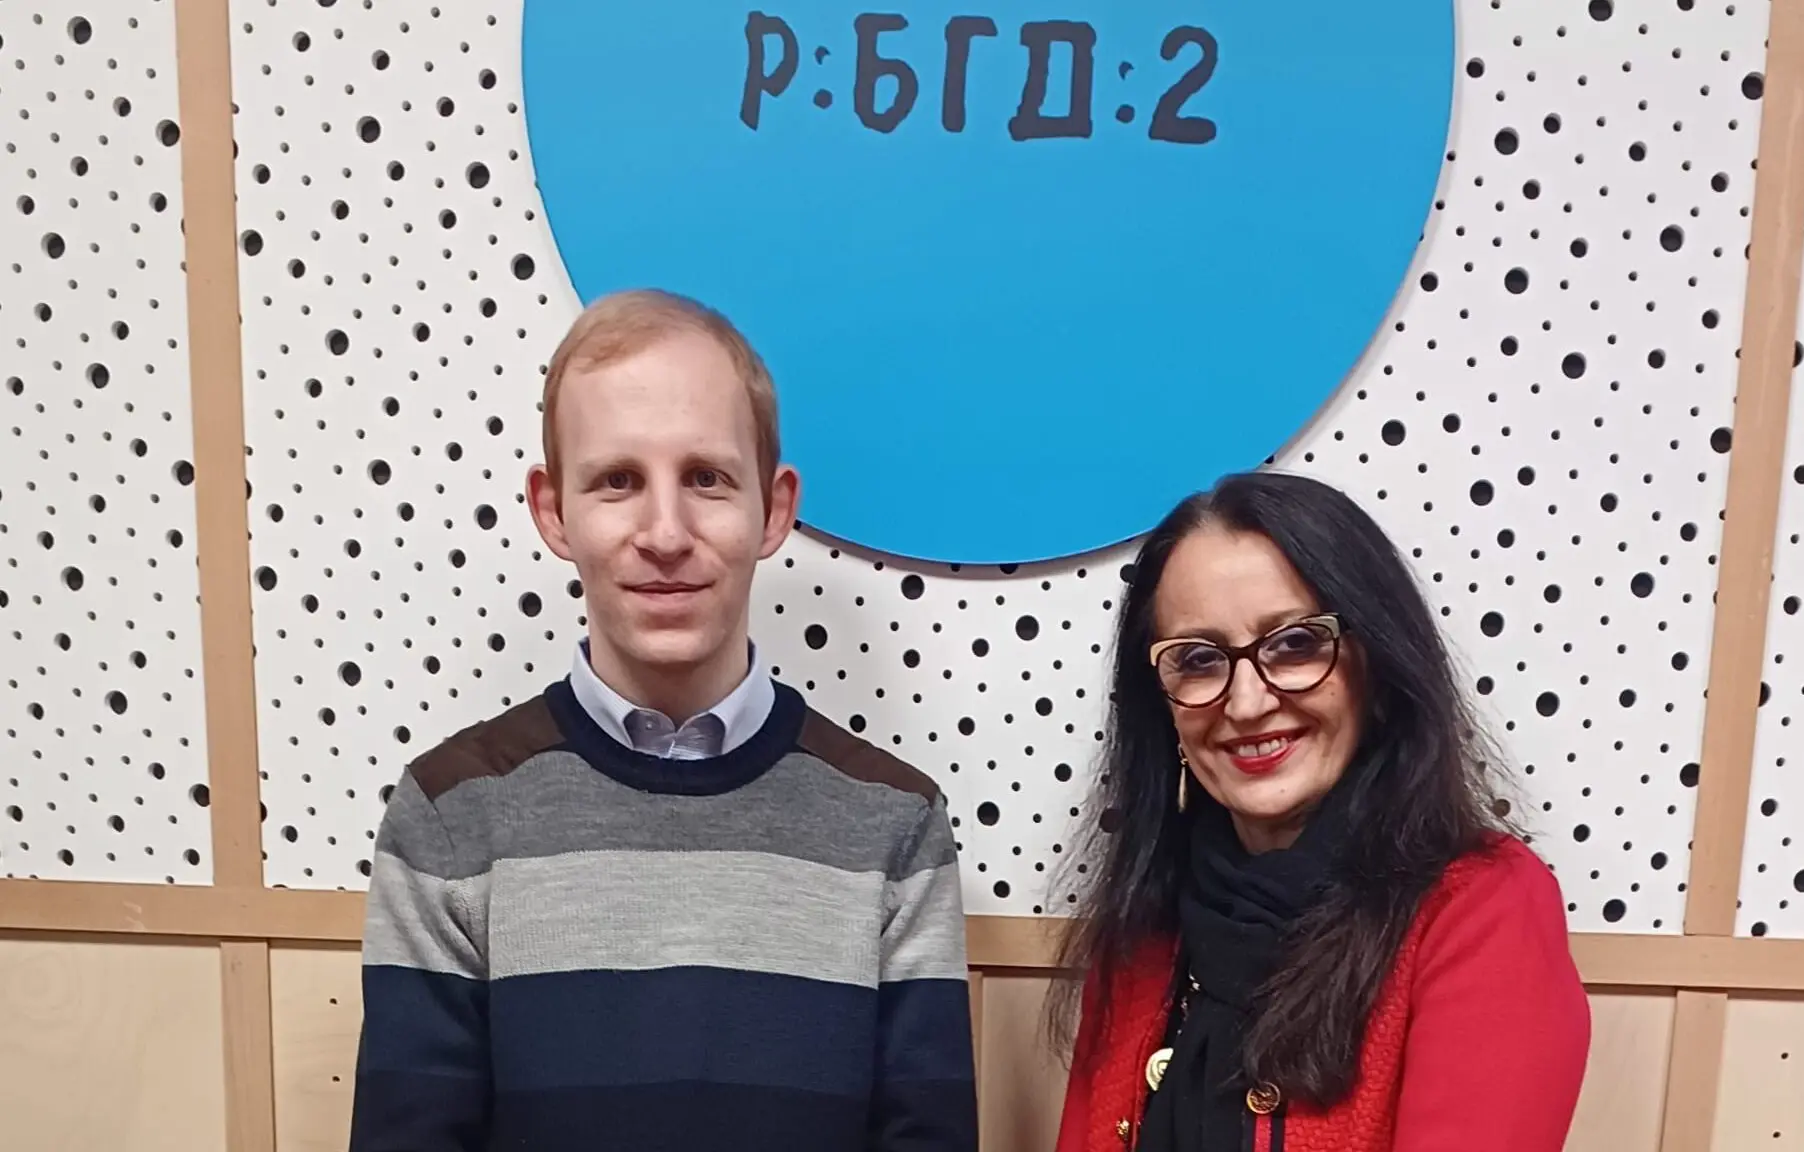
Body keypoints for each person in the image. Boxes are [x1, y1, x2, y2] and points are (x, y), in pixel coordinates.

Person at [348, 289, 978, 1152]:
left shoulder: (894, 824)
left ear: (774, 509)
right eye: (618, 481)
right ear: (553, 511)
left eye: (707, 479)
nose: (666, 533)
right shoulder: (450, 815)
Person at [1049, 471, 1591, 1152]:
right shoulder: (1145, 921)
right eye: (1199, 659)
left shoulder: (1482, 909)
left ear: (1379, 668)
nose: (1246, 703)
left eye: (1296, 644)